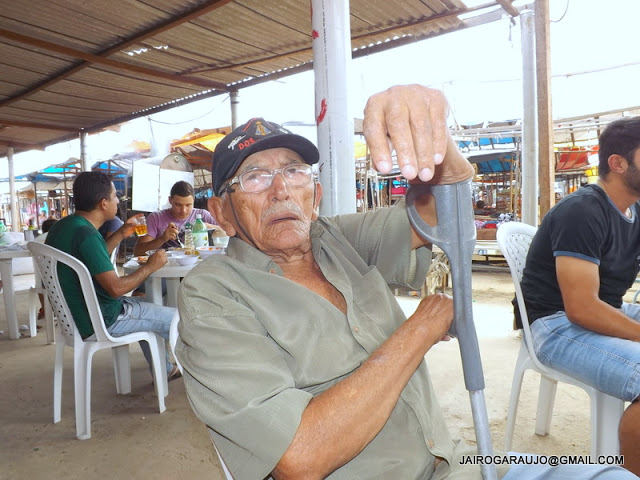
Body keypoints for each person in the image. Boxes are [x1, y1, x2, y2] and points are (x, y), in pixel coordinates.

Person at [175, 86, 637, 480]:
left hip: (457, 465)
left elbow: (446, 218)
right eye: (254, 178)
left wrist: (439, 148)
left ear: (313, 195)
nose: (280, 190)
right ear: (221, 214)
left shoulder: (335, 237)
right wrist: (418, 331)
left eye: (294, 171)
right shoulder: (212, 293)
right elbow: (301, 455)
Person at [520, 116, 640, 475]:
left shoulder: (633, 211)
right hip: (553, 324)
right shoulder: (583, 210)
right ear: (618, 164)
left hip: (605, 309)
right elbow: (582, 308)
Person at [46, 172, 181, 381]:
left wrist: (120, 233)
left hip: (79, 316)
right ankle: (208, 373)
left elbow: (91, 260)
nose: (118, 200)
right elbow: (116, 288)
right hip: (104, 318)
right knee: (179, 319)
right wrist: (150, 267)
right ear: (103, 203)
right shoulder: (87, 235)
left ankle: (166, 370)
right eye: (115, 196)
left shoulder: (66, 226)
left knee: (147, 308)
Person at [133, 181, 218, 256]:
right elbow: (138, 252)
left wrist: (209, 226)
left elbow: (228, 231)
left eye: (188, 205)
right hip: (165, 269)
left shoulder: (202, 215)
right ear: (170, 200)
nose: (183, 211)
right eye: (178, 205)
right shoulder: (155, 218)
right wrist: (162, 239)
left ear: (194, 201)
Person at [33, 217, 58, 320]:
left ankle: (44, 308)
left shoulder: (36, 241)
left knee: (39, 282)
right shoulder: (59, 237)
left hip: (41, 280)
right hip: (59, 278)